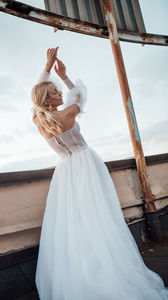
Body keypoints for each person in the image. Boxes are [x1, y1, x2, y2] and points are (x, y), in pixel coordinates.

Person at [31, 47, 168, 300]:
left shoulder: (39, 119)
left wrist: (48, 67)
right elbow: (79, 95)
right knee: (99, 214)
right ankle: (103, 265)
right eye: (55, 92)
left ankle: (83, 268)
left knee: (75, 221)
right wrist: (65, 75)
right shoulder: (67, 114)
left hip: (66, 172)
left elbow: (37, 93)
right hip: (86, 165)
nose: (60, 92)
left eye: (58, 89)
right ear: (49, 101)